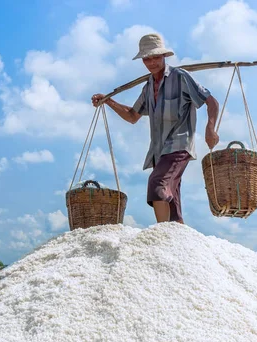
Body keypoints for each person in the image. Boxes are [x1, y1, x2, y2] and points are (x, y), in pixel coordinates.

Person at [91, 33, 219, 225]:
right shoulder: (148, 87)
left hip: (179, 145)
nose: (151, 63)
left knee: (157, 183)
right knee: (172, 200)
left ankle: (161, 234)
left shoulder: (180, 77)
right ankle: (177, 237)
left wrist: (210, 128)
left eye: (155, 57)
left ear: (164, 56)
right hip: (159, 151)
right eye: (147, 59)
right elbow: (133, 116)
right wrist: (108, 101)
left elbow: (211, 101)